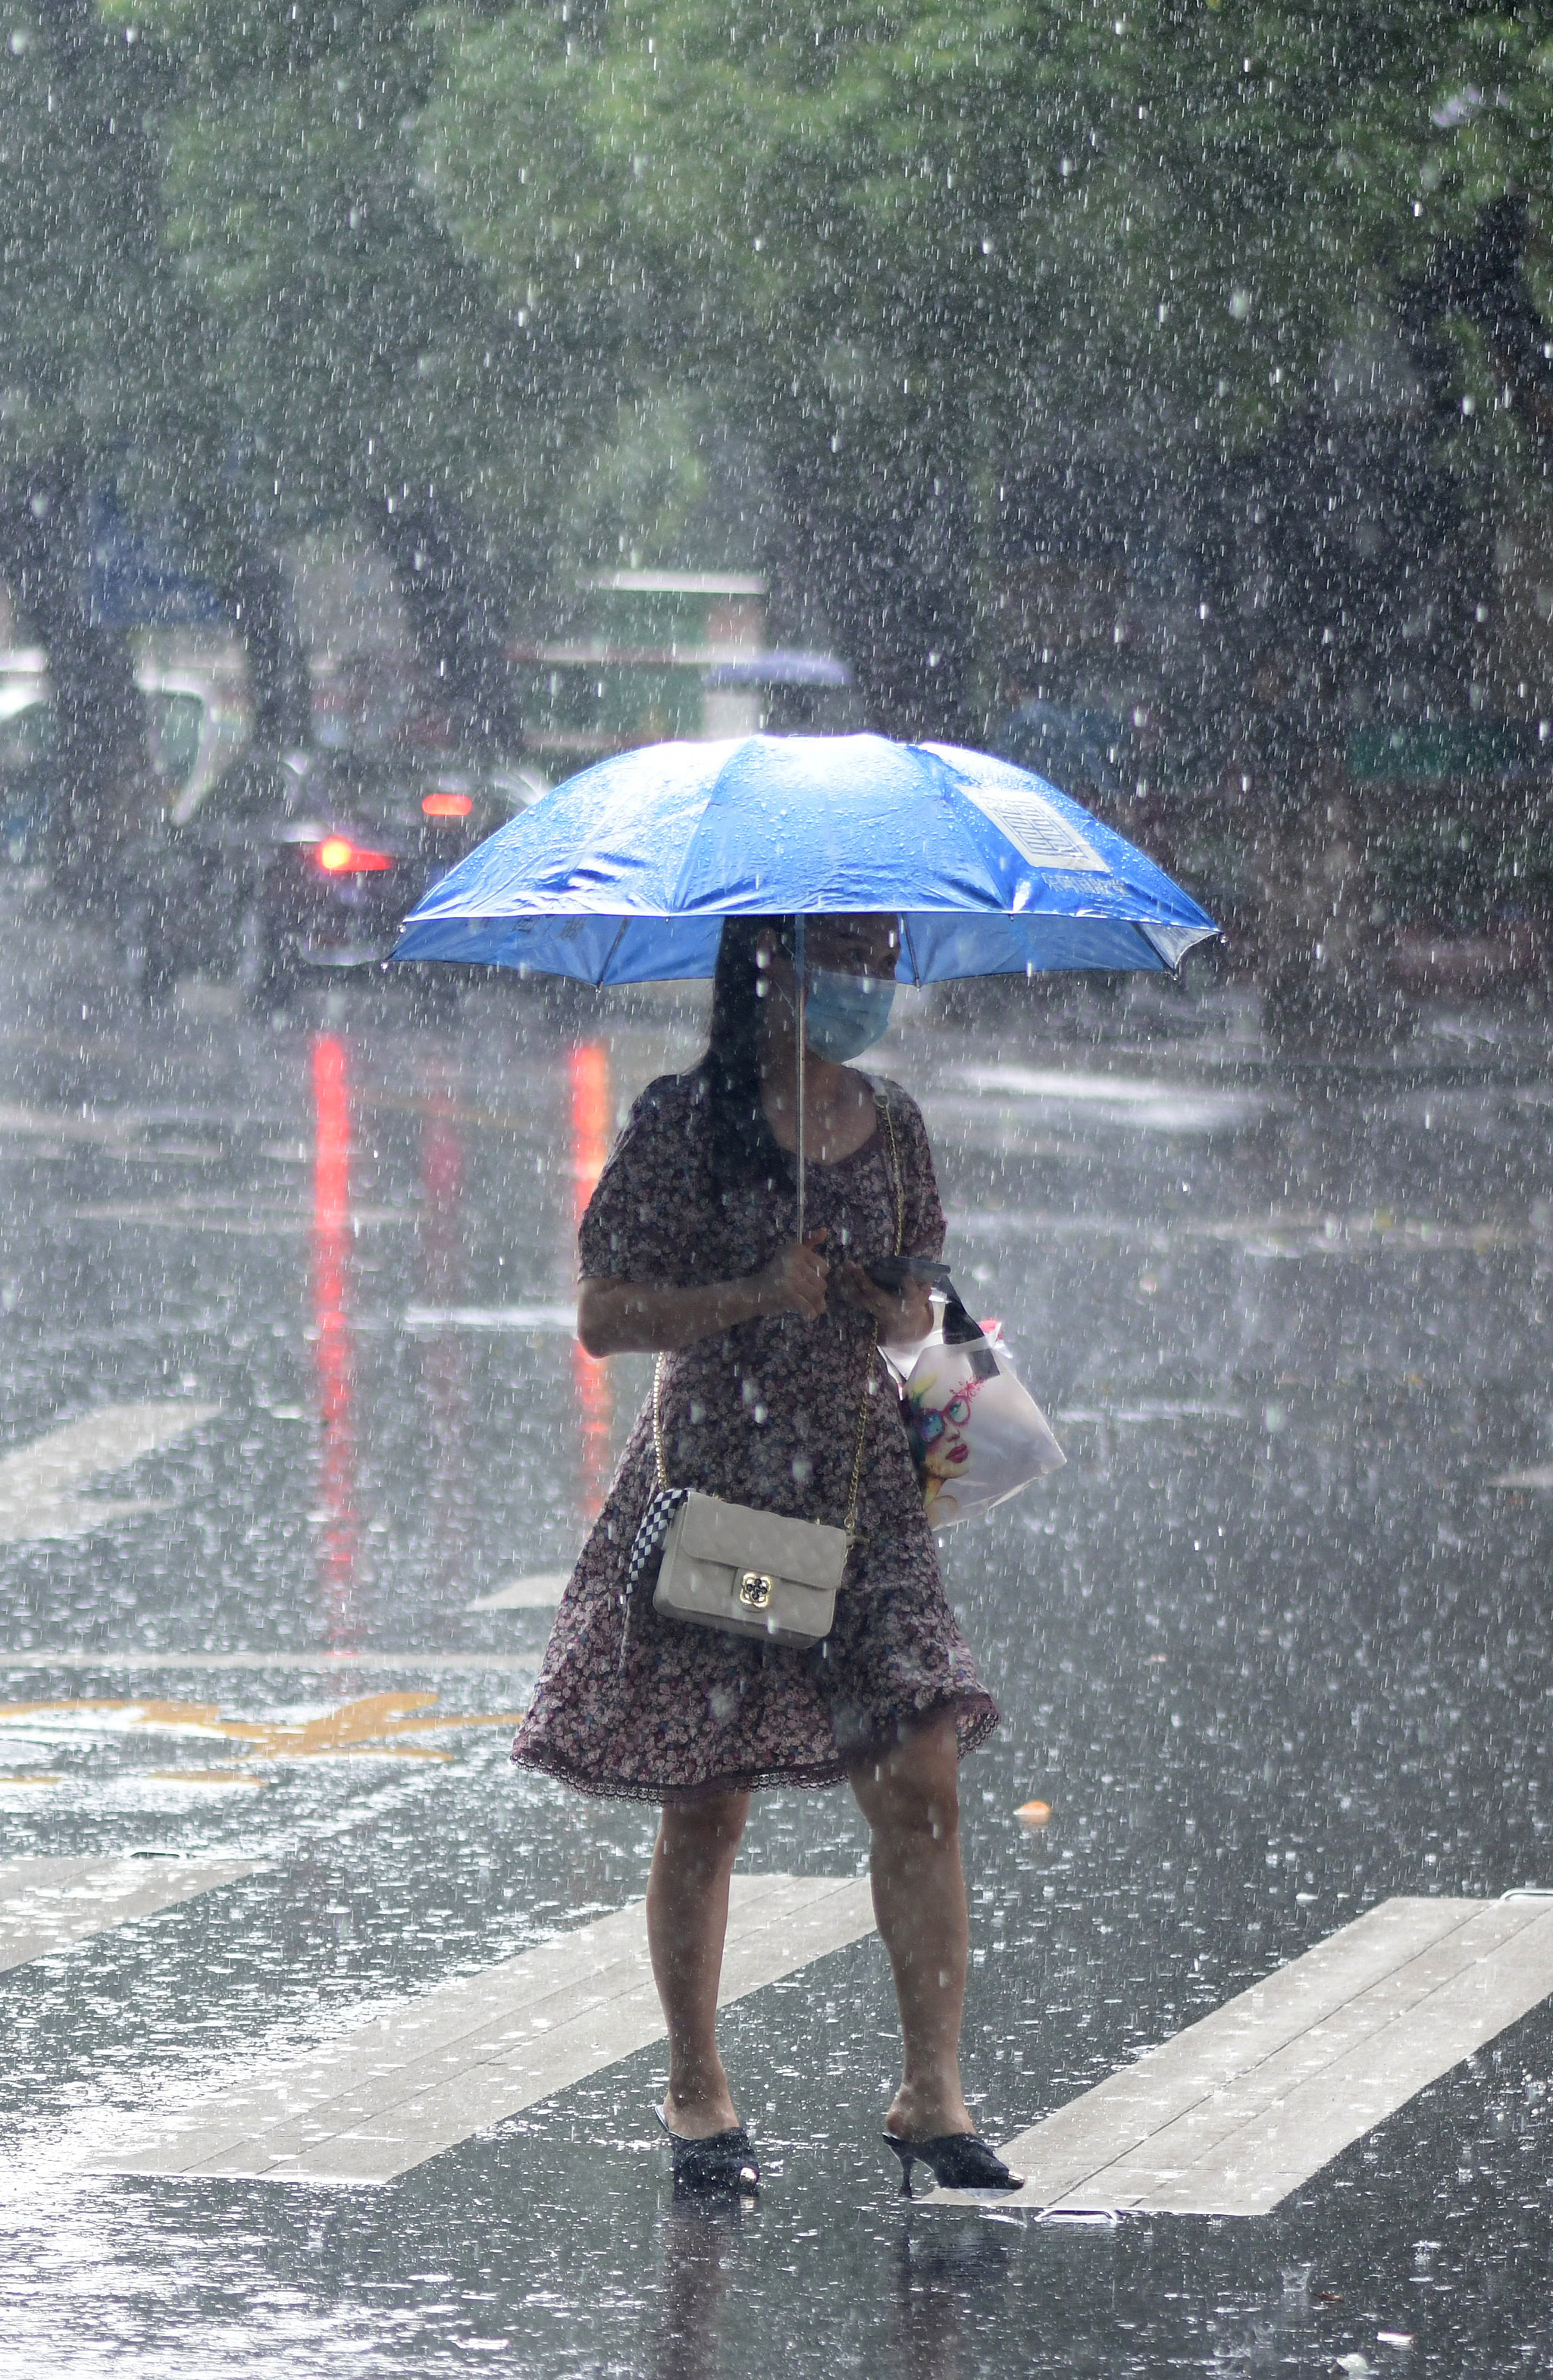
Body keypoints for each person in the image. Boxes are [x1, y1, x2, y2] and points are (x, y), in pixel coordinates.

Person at [512, 912, 1020, 2197]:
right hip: (727, 1491)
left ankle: (934, 2088)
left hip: (865, 1489)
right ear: (775, 962)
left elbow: (926, 1307)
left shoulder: (894, 1124)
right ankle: (696, 2082)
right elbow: (603, 1315)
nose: (872, 978)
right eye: (848, 953)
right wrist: (754, 1290)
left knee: (922, 1767)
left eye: (885, 953)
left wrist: (894, 1305)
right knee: (710, 1792)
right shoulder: (686, 1121)